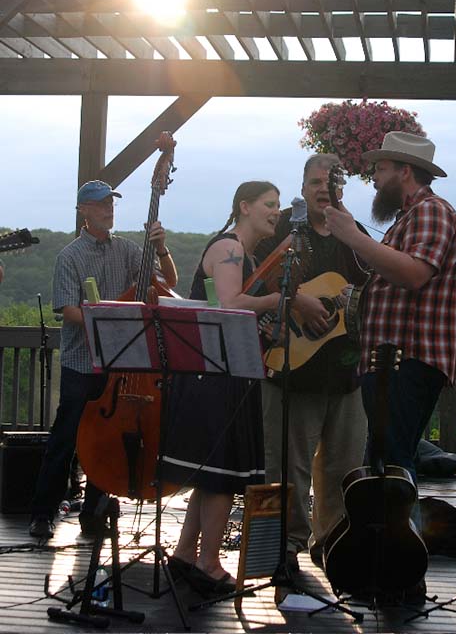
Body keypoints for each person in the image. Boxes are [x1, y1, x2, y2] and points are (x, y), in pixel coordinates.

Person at [324, 131, 456, 601]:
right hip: (389, 362)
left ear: (404, 171)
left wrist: (349, 235)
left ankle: (401, 580)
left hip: (409, 359)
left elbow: (412, 273)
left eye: (381, 169)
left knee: (396, 470)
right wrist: (352, 232)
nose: (375, 176)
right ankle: (382, 571)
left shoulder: (432, 212)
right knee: (383, 469)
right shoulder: (408, 217)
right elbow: (383, 269)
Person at [29, 180, 177, 540]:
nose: (108, 209)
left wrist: (161, 249)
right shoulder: (69, 256)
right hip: (83, 362)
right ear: (83, 211)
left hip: (120, 364)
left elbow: (168, 282)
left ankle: (94, 515)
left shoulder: (127, 250)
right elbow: (67, 309)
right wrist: (108, 320)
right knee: (66, 437)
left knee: (108, 438)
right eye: (100, 204)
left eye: (111, 202)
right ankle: (42, 514)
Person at [162, 181, 282, 595]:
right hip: (214, 376)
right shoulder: (227, 247)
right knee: (222, 475)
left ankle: (184, 555)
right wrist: (277, 301)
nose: (276, 212)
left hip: (227, 372)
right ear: (244, 207)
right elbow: (230, 303)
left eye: (278, 206)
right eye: (269, 204)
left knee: (213, 475)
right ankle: (209, 563)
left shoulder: (247, 254)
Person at [255, 154, 368, 572]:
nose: (324, 189)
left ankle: (332, 545)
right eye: (316, 181)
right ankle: (285, 549)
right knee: (287, 469)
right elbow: (255, 276)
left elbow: (367, 285)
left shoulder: (349, 232)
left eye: (331, 182)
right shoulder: (283, 226)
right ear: (303, 187)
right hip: (291, 367)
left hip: (345, 371)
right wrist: (295, 299)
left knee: (344, 467)